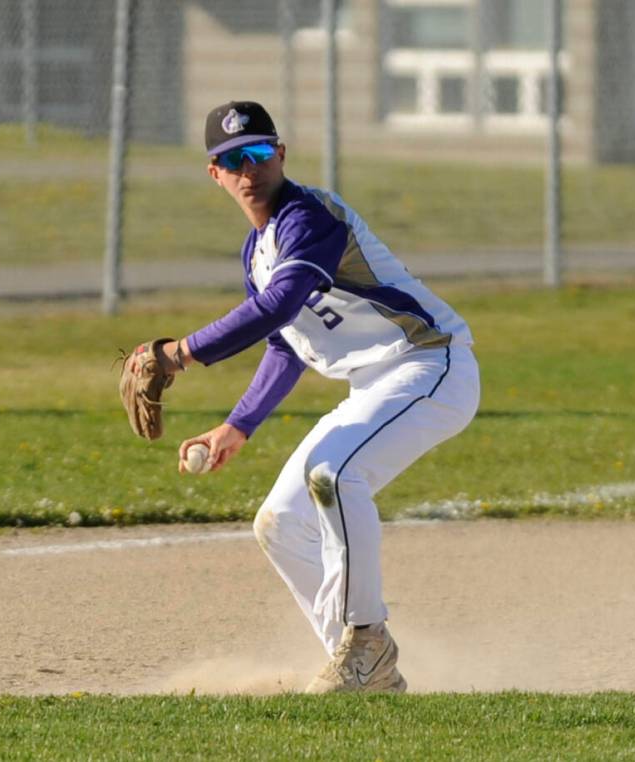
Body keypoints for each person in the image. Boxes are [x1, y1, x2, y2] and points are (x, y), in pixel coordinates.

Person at [152, 101, 479, 693]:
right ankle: (362, 667)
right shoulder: (258, 253)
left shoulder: (308, 217)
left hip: (430, 363)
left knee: (333, 474)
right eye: (231, 159)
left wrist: (180, 353)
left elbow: (277, 306)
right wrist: (237, 425)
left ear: (280, 154)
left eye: (257, 152)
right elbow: (287, 342)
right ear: (215, 174)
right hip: (375, 384)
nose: (247, 168)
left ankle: (367, 643)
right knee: (279, 523)